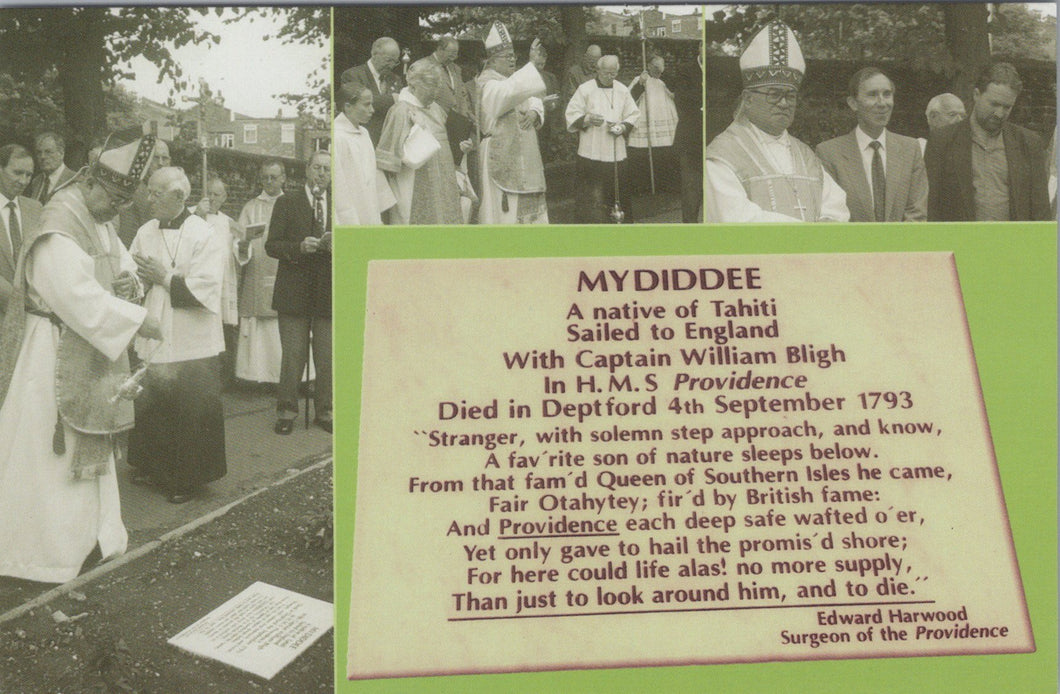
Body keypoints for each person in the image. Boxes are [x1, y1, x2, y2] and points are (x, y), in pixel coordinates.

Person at [0, 134, 162, 582]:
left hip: (86, 349)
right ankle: (43, 554)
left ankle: (95, 536)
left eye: (126, 203)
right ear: (91, 182)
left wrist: (131, 284)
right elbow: (77, 298)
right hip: (50, 355)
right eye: (115, 199)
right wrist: (137, 319)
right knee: (49, 457)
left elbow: (120, 263)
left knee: (89, 452)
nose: (118, 211)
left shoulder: (97, 216)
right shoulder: (59, 224)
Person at [128, 167, 226, 504]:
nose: (149, 198)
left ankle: (187, 479)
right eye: (149, 192)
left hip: (191, 336)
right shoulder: (144, 230)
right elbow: (133, 272)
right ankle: (152, 467)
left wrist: (165, 277)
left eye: (156, 193)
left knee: (188, 407)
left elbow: (208, 288)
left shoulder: (206, 233)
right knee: (154, 401)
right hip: (155, 326)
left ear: (179, 197)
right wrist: (130, 283)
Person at [705, 21, 849, 223]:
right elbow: (734, 219)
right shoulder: (723, 155)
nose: (784, 103)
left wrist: (829, 221)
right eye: (774, 94)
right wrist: (810, 233)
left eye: (790, 95)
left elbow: (836, 205)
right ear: (748, 99)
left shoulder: (806, 155)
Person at [925, 62, 1050, 221]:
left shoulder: (1029, 143)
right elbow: (931, 205)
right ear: (976, 95)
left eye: (1007, 107)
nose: (999, 113)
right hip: (959, 241)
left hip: (1013, 242)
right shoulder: (942, 141)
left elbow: (1041, 210)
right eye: (994, 104)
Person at [266, 151, 332, 435]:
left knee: (327, 355)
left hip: (328, 292)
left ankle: (326, 411)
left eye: (327, 170)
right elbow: (272, 245)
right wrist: (297, 248)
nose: (321, 174)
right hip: (294, 290)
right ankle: (287, 411)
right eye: (317, 167)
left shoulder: (341, 205)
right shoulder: (287, 202)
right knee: (293, 355)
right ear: (306, 170)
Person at [816, 67, 927, 222]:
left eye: (887, 94)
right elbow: (832, 214)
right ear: (853, 103)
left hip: (902, 244)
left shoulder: (910, 148)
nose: (882, 103)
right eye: (872, 95)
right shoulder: (829, 153)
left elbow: (916, 214)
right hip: (852, 245)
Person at [474, 22, 549, 225]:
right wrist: (532, 64)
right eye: (507, 57)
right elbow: (507, 94)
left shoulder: (511, 80)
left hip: (525, 156)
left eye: (513, 56)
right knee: (502, 215)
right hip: (501, 154)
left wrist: (535, 111)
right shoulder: (487, 83)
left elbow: (533, 96)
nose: (512, 60)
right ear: (491, 61)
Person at [376, 60, 464, 225]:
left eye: (438, 87)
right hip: (411, 186)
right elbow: (387, 162)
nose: (436, 93)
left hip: (443, 186)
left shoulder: (436, 109)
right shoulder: (401, 110)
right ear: (415, 86)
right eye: (432, 88)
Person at [565, 54, 639, 223]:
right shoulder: (585, 89)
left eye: (614, 73)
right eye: (606, 73)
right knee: (590, 197)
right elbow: (571, 113)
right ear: (598, 70)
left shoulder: (622, 90)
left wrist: (622, 127)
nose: (610, 77)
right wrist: (587, 119)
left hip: (615, 152)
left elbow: (634, 114)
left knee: (617, 194)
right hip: (591, 150)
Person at [235, 160, 286, 385]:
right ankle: (257, 376)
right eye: (265, 177)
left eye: (273, 177)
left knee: (282, 326)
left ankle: (283, 378)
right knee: (259, 326)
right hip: (257, 273)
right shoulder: (250, 207)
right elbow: (238, 241)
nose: (268, 181)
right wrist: (244, 243)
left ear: (283, 178)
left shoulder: (291, 204)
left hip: (284, 272)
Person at [192, 177, 242, 385]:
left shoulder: (228, 222)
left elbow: (238, 252)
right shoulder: (192, 214)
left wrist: (245, 243)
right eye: (209, 193)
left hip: (222, 280)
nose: (212, 198)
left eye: (217, 194)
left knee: (223, 327)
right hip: (200, 280)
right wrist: (197, 216)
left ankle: (223, 378)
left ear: (225, 198)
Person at [334, 84, 394, 225]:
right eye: (366, 105)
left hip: (369, 206)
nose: (372, 110)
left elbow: (373, 173)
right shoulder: (338, 136)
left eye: (372, 104)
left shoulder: (364, 133)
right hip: (351, 212)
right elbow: (339, 184)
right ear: (348, 107)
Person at [628, 55, 679, 195]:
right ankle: (643, 188)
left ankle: (663, 187)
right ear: (649, 66)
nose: (658, 71)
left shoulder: (664, 82)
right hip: (646, 122)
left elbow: (674, 94)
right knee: (643, 157)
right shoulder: (640, 80)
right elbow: (629, 99)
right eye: (655, 67)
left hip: (663, 123)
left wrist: (664, 75)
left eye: (660, 67)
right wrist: (641, 84)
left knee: (664, 156)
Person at [0, 144, 40, 320]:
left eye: (29, 175)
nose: (23, 181)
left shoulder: (36, 209)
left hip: (34, 317)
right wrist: (16, 302)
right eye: (17, 173)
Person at [341, 37, 404, 145]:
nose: (392, 65)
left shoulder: (395, 79)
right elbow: (357, 103)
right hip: (362, 141)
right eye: (388, 60)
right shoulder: (352, 75)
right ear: (374, 54)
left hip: (389, 144)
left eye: (395, 62)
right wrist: (392, 99)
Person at [118, 139, 170, 247]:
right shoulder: (134, 192)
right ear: (145, 160)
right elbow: (128, 239)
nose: (160, 163)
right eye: (155, 158)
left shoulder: (171, 190)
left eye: (164, 158)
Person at [673, 43, 704, 222]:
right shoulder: (685, 70)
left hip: (714, 138)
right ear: (699, 48)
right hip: (691, 138)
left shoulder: (717, 72)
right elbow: (682, 99)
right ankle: (689, 230)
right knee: (691, 189)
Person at [25, 132, 77, 204]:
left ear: (61, 153)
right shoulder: (36, 181)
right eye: (39, 152)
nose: (42, 157)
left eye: (48, 152)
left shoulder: (75, 180)